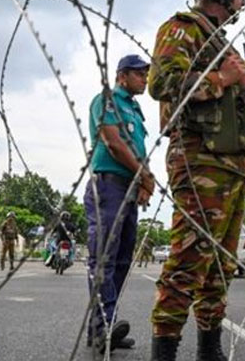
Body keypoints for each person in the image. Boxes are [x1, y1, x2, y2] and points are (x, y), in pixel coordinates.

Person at [147, 0, 245, 359]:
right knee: (188, 262)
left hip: (232, 167)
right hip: (200, 163)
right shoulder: (182, 29)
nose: (242, 2)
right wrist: (222, 79)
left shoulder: (223, 44)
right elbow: (163, 83)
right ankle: (164, 351)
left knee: (220, 267)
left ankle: (209, 348)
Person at [84, 54, 154, 353]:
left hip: (128, 188)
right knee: (104, 259)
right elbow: (113, 141)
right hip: (109, 186)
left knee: (123, 261)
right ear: (122, 75)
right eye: (140, 74)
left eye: (147, 74)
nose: (145, 79)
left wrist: (143, 182)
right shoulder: (108, 99)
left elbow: (137, 146)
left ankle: (100, 329)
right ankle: (104, 326)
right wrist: (144, 174)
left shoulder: (136, 111)